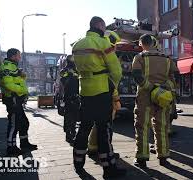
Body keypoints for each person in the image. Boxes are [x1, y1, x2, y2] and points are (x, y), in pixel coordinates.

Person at [72, 16, 126, 178]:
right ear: (100, 26)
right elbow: (116, 71)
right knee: (104, 130)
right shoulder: (104, 44)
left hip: (85, 91)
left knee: (84, 128)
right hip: (102, 91)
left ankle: (78, 163)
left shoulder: (77, 44)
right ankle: (108, 169)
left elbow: (78, 68)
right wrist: (113, 87)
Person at [132, 34, 179, 168]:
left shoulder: (140, 57)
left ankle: (141, 159)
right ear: (153, 43)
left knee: (142, 127)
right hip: (163, 97)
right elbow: (176, 75)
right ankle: (163, 157)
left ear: (141, 44)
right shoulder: (166, 58)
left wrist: (151, 88)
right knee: (162, 127)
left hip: (145, 97)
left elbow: (137, 77)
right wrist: (165, 88)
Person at [87, 30, 122, 157]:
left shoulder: (96, 56)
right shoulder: (107, 56)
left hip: (94, 92)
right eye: (114, 44)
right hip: (107, 95)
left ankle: (92, 147)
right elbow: (113, 79)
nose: (116, 47)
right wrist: (116, 98)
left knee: (98, 124)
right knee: (106, 127)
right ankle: (107, 151)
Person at [0, 48, 37, 156]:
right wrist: (22, 91)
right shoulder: (6, 66)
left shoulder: (13, 66)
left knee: (24, 123)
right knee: (14, 124)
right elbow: (8, 84)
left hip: (17, 99)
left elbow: (17, 80)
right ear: (13, 56)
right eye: (18, 55)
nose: (20, 57)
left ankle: (24, 144)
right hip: (12, 99)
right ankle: (11, 148)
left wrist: (22, 76)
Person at [60, 55, 80, 145]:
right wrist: (69, 73)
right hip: (68, 96)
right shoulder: (65, 70)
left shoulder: (77, 70)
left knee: (75, 116)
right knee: (68, 117)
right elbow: (62, 77)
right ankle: (68, 135)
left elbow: (79, 77)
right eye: (72, 59)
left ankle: (73, 133)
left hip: (76, 95)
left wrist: (74, 73)